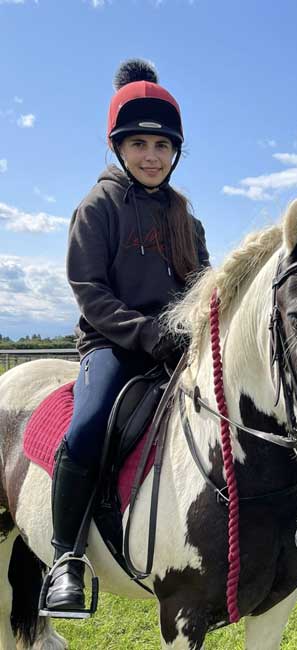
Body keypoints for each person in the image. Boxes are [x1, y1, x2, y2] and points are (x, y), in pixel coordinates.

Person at [41, 59, 210, 617]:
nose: (151, 155)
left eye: (162, 145)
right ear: (118, 148)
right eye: (138, 143)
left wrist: (194, 332)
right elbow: (89, 290)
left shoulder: (188, 216)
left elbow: (204, 287)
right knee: (88, 426)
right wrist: (146, 334)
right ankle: (66, 559)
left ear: (175, 151)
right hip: (112, 344)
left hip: (175, 345)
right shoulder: (98, 207)